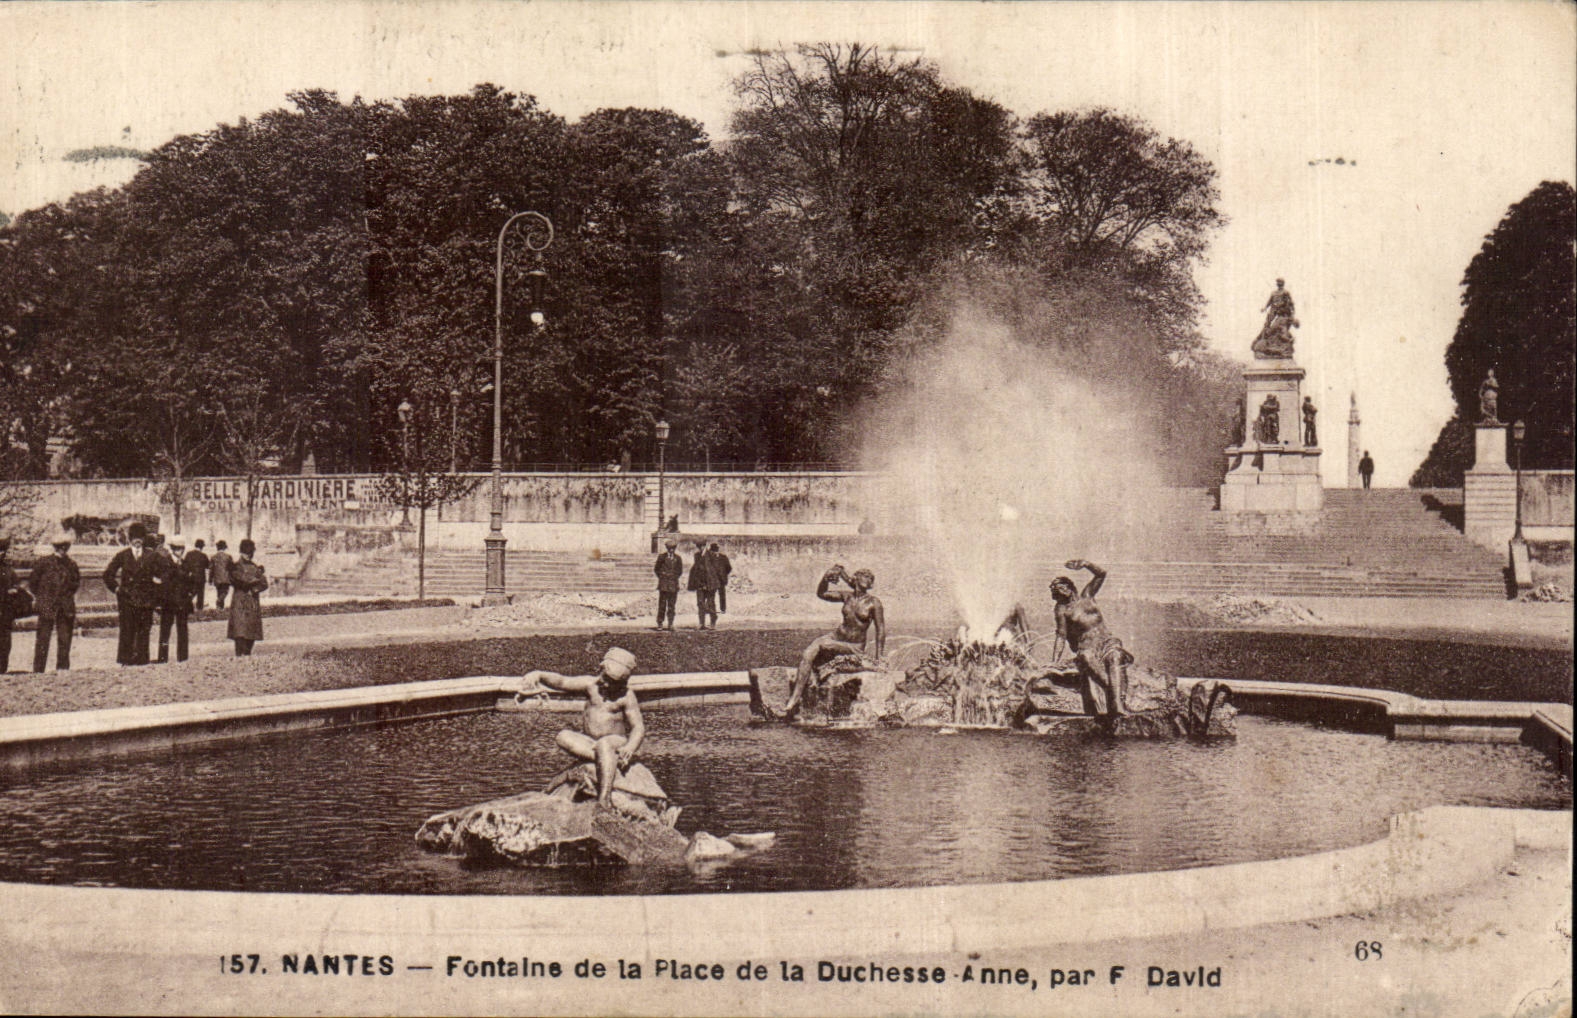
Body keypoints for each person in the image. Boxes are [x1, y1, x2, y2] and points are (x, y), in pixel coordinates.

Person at [512, 648, 645, 808]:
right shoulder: (590, 685)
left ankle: (604, 798)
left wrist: (630, 747)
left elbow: (638, 727)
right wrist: (539, 675)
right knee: (563, 736)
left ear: (622, 683)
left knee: (604, 745)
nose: (605, 684)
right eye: (604, 678)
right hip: (590, 743)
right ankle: (606, 760)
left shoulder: (626, 696)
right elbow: (562, 682)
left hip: (615, 742)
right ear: (600, 670)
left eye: (612, 682)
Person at [781, 565, 886, 717]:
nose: (869, 579)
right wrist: (825, 578)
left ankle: (799, 697)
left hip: (853, 646)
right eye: (865, 576)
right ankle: (795, 698)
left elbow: (880, 629)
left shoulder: (874, 603)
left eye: (871, 578)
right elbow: (821, 593)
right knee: (808, 653)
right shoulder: (847, 597)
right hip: (835, 637)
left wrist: (879, 657)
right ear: (856, 578)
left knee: (822, 645)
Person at [1049, 559, 1130, 721]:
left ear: (1069, 586)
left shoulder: (1088, 596)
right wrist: (1054, 661)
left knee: (1115, 656)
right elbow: (1061, 635)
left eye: (1061, 588)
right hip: (1087, 647)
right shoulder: (1062, 610)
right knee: (1086, 658)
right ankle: (1113, 693)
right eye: (1056, 591)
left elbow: (1101, 574)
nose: (1060, 592)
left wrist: (1086, 564)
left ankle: (1117, 705)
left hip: (1107, 642)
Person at [103, 526, 158, 665]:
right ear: (130, 539)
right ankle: (126, 660)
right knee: (127, 630)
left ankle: (142, 660)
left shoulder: (152, 555)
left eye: (140, 538)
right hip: (127, 599)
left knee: (144, 630)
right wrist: (116, 589)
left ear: (144, 539)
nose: (137, 541)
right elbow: (108, 574)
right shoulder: (123, 555)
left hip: (145, 600)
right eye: (134, 538)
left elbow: (166, 571)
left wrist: (158, 583)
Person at [29, 533, 80, 672]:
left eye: (65, 547)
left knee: (65, 639)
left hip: (65, 606)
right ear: (55, 547)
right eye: (60, 547)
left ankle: (62, 668)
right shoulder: (43, 563)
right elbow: (33, 583)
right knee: (43, 639)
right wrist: (43, 597)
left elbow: (75, 584)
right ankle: (38, 669)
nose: (63, 550)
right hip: (47, 605)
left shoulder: (71, 565)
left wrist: (66, 596)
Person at [155, 535, 195, 663]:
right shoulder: (165, 562)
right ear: (172, 548)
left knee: (183, 630)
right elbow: (161, 583)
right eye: (176, 548)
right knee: (165, 631)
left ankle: (183, 657)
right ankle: (162, 657)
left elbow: (192, 582)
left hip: (182, 602)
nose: (179, 551)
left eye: (181, 548)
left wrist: (190, 595)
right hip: (168, 602)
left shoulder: (186, 563)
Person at [227, 538, 268, 656]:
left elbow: (264, 583)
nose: (248, 555)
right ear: (241, 552)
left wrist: (254, 589)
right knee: (239, 629)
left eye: (250, 553)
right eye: (246, 553)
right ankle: (239, 655)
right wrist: (254, 580)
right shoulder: (235, 566)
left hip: (252, 601)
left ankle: (247, 654)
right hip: (239, 599)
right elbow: (236, 579)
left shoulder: (255, 567)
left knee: (251, 629)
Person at [0, 539, 24, 673]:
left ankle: (2, 667)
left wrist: (15, 589)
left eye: (3, 551)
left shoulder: (8, 569)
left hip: (5, 610)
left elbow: (16, 583)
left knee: (5, 639)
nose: (2, 554)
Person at [687, 541, 718, 630]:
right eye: (698, 546)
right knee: (700, 603)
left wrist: (714, 582)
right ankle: (701, 623)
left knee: (710, 603)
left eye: (702, 546)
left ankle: (713, 622)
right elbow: (696, 569)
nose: (700, 548)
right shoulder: (696, 555)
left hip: (710, 584)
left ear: (705, 546)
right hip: (700, 583)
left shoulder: (712, 555)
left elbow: (716, 570)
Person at [653, 538, 682, 631]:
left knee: (672, 606)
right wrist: (663, 577)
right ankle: (660, 623)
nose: (671, 550)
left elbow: (679, 571)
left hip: (673, 584)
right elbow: (656, 569)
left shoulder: (678, 558)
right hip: (664, 585)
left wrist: (673, 577)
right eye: (670, 548)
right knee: (662, 605)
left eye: (673, 548)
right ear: (667, 548)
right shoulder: (662, 557)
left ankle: (670, 623)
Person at [185, 538, 211, 610]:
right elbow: (208, 566)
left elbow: (185, 565)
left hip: (191, 576)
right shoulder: (203, 555)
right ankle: (200, 607)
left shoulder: (189, 554)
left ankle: (186, 602)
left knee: (191, 591)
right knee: (200, 593)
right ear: (202, 547)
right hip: (201, 577)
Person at [708, 542, 732, 614]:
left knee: (719, 594)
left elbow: (729, 568)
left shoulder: (723, 557)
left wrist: (724, 574)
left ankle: (722, 609)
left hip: (720, 579)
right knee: (713, 594)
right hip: (715, 579)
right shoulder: (710, 558)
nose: (714, 553)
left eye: (713, 551)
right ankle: (713, 609)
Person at [210, 539, 233, 609]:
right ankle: (219, 602)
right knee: (225, 592)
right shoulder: (228, 557)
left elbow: (211, 569)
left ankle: (220, 607)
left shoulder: (213, 557)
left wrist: (210, 579)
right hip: (226, 578)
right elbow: (231, 568)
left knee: (219, 592)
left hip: (217, 578)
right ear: (224, 548)